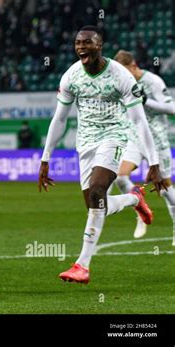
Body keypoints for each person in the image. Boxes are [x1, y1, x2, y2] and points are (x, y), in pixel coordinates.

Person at [38, 26, 165, 284]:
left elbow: (140, 121)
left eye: (87, 43)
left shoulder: (120, 76)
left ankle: (82, 265)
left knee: (97, 191)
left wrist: (154, 162)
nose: (81, 47)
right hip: (85, 143)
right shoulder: (71, 76)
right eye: (77, 43)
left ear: (99, 46)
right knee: (97, 207)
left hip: (114, 136)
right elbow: (59, 119)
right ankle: (133, 199)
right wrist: (45, 158)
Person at [113, 50, 175, 243]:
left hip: (157, 140)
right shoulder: (124, 84)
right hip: (135, 138)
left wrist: (146, 100)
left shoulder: (153, 82)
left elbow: (172, 108)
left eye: (125, 72)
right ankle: (139, 210)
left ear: (134, 66)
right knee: (120, 177)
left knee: (165, 188)